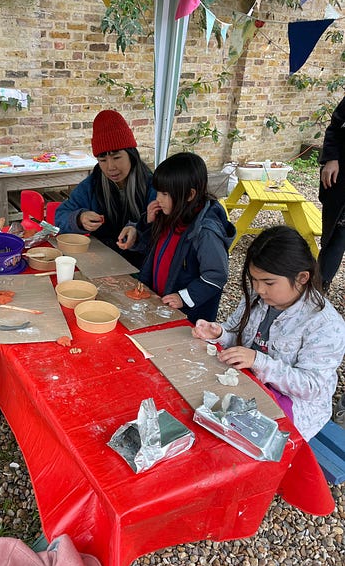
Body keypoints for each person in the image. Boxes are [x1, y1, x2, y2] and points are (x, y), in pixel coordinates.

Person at [192, 225, 345, 442]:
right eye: (254, 280)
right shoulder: (259, 298)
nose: (259, 289)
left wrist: (258, 361)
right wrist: (219, 333)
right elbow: (236, 333)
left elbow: (310, 386)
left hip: (291, 404)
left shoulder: (325, 325)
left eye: (268, 282)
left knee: (228, 440)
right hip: (249, 382)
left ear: (302, 278)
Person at [121, 152, 235, 323]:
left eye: (165, 194)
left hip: (189, 316)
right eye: (158, 192)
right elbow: (150, 250)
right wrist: (145, 224)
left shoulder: (205, 232)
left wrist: (184, 297)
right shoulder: (169, 213)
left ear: (190, 195)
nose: (158, 199)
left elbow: (216, 275)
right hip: (159, 302)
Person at [54, 110, 156, 267]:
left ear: (131, 154)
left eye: (116, 157)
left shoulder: (152, 185)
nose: (110, 167)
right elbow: (60, 216)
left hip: (143, 265)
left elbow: (164, 227)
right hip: (102, 262)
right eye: (102, 160)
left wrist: (138, 231)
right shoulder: (92, 185)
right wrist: (79, 219)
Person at [317, 96, 345, 293]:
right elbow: (336, 125)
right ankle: (319, 285)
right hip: (341, 179)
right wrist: (331, 158)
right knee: (336, 233)